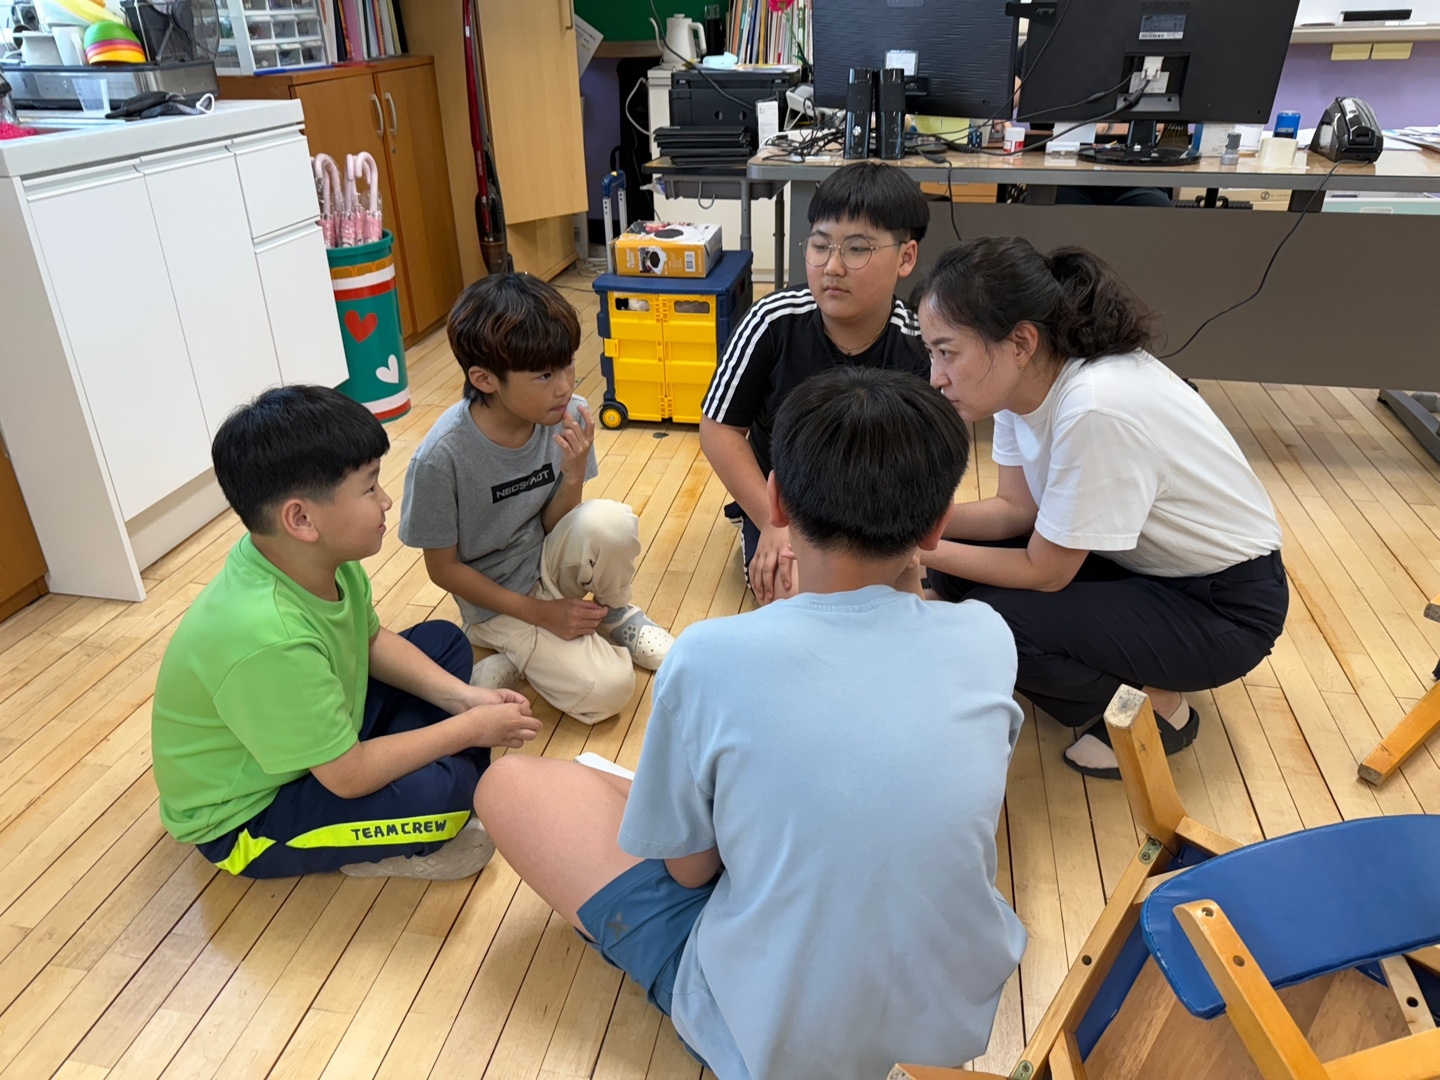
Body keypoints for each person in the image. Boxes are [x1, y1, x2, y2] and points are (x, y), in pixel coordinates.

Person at [475, 366, 1026, 1080]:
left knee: (511, 786)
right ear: (937, 524)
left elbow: (691, 870)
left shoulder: (710, 656)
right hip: (947, 1024)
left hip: (775, 1044)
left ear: (777, 501)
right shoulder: (987, 637)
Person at [916, 236, 1288, 778]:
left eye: (947, 352)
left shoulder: (1094, 406)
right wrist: (914, 525)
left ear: (1020, 341)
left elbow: (1045, 572)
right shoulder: (1022, 384)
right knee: (957, 569)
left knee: (998, 625)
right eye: (931, 353)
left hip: (1224, 608)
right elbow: (1015, 510)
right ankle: (1117, 659)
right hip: (1147, 569)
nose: (936, 376)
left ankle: (1157, 709)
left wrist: (914, 549)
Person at [151, 386, 539, 880]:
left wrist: (463, 700)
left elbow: (369, 640)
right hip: (251, 817)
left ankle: (428, 752)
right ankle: (402, 817)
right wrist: (469, 729)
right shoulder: (269, 636)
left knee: (444, 642)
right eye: (369, 487)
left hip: (320, 742)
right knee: (446, 797)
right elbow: (348, 776)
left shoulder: (310, 558)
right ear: (301, 519)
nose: (386, 500)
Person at [401, 273, 674, 726]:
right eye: (544, 375)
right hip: (494, 602)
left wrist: (573, 474)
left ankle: (614, 613)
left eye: (567, 365)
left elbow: (555, 525)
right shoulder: (441, 457)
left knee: (612, 522)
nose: (564, 386)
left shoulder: (567, 413)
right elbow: (442, 569)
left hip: (545, 561)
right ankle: (507, 648)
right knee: (609, 690)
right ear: (484, 378)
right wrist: (540, 614)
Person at [700, 160, 931, 604]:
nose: (832, 267)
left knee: (906, 594)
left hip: (879, 506)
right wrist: (771, 521)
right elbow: (718, 428)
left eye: (858, 249)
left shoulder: (919, 343)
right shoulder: (772, 321)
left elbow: (925, 459)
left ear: (905, 257)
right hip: (786, 505)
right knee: (794, 592)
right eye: (821, 246)